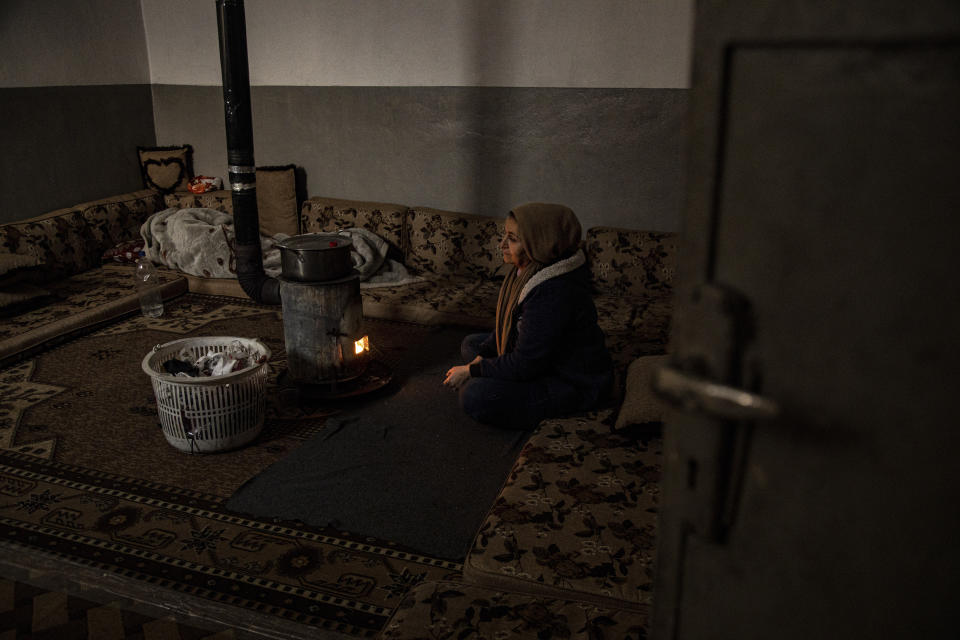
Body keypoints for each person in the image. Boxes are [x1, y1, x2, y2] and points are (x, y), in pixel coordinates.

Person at [442, 203, 613, 430]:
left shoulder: (554, 290)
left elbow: (526, 364)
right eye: (505, 235)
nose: (502, 245)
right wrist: (479, 360)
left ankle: (548, 401)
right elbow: (510, 325)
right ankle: (496, 376)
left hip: (569, 381)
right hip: (544, 361)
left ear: (539, 241)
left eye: (512, 238)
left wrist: (472, 370)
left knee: (473, 395)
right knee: (472, 344)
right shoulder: (531, 268)